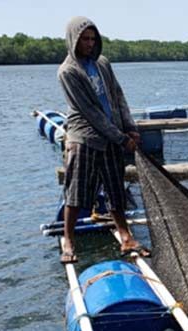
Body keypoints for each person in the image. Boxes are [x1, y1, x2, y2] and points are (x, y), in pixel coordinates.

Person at [58, 16, 149, 263]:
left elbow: (118, 96)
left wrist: (129, 127)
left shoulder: (102, 63)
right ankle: (69, 240)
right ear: (73, 40)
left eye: (92, 39)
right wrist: (121, 138)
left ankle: (126, 236)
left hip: (112, 135)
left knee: (115, 188)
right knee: (77, 192)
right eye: (84, 39)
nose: (88, 44)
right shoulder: (68, 71)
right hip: (84, 138)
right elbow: (91, 112)